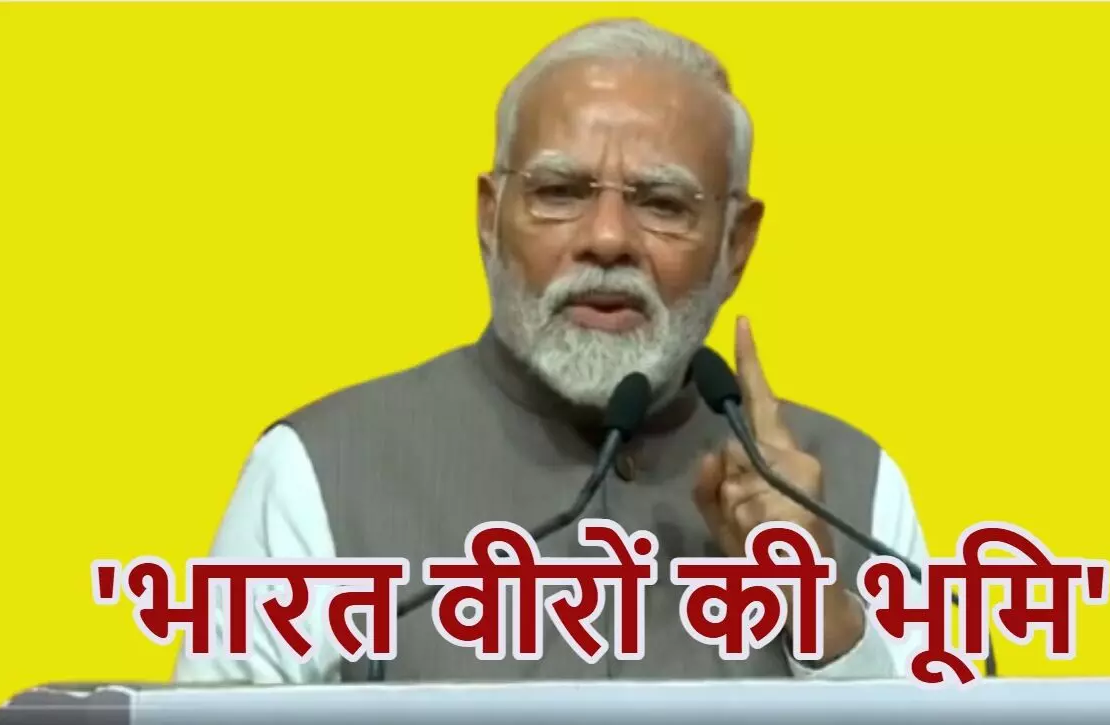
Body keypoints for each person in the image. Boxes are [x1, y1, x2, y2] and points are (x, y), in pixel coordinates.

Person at [175, 18, 928, 685]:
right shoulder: (322, 472)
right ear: (489, 217)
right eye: (560, 192)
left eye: (663, 204)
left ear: (736, 244)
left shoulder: (858, 491)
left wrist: (824, 620)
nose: (607, 239)